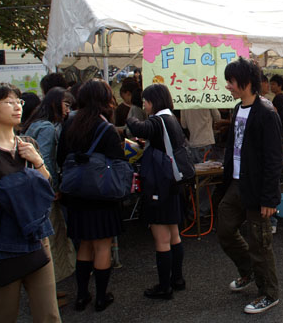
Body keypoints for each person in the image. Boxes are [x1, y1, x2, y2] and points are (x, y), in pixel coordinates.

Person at [0, 82, 60, 322]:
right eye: (8, 102)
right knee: (2, 313)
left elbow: (46, 187)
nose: (17, 107)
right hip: (0, 242)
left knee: (48, 313)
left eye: (19, 101)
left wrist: (38, 162)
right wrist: (26, 179)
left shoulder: (28, 144)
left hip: (35, 235)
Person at [216, 58, 282, 314]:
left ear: (246, 82)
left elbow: (273, 159)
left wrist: (269, 198)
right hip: (236, 183)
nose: (228, 86)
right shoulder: (237, 109)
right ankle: (249, 271)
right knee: (225, 229)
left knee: (260, 244)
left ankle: (269, 293)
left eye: (231, 81)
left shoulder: (266, 112)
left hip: (257, 188)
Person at [57, 79, 124, 312]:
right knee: (103, 245)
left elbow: (60, 158)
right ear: (105, 99)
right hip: (101, 193)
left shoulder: (70, 123)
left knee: (84, 244)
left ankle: (82, 295)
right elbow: (118, 160)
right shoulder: (106, 128)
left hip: (76, 193)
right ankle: (101, 297)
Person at [126, 84, 186, 300]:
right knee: (174, 235)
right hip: (173, 183)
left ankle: (164, 287)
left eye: (145, 101)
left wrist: (130, 115)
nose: (144, 105)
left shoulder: (158, 121)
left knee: (161, 239)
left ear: (153, 101)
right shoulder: (171, 119)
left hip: (159, 185)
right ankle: (177, 279)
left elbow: (137, 128)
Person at [22, 87, 76, 284]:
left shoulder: (34, 124)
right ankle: (51, 283)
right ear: (55, 103)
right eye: (66, 104)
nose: (68, 110)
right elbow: (46, 160)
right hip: (44, 188)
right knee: (52, 235)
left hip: (31, 186)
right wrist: (53, 187)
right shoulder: (47, 128)